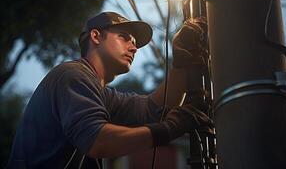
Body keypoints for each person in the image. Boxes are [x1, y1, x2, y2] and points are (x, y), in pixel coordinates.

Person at [7, 12, 212, 168]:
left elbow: (154, 108)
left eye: (135, 44)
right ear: (96, 36)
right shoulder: (72, 75)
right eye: (124, 37)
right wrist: (169, 128)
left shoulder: (100, 94)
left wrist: (182, 63)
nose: (133, 48)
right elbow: (98, 140)